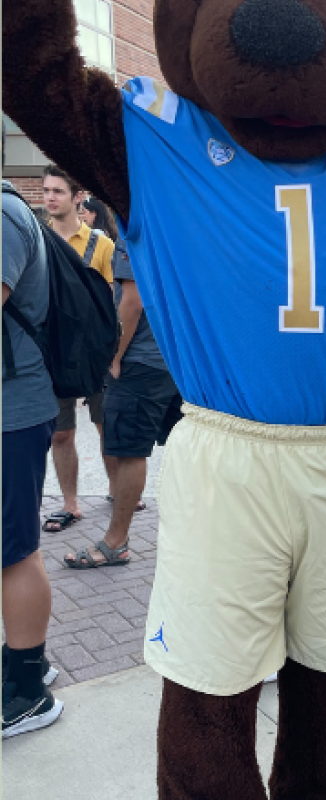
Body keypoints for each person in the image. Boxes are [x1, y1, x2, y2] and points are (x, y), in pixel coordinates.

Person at [63, 238, 182, 569]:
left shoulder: (137, 229)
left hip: (141, 362)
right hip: (180, 360)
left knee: (129, 453)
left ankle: (116, 543)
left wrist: (114, 356)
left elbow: (132, 302)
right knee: (189, 450)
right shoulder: (179, 218)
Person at [2, 167, 64, 737]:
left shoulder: (2, 215)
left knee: (13, 549)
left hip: (12, 415)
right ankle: (23, 662)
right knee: (12, 544)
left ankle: (27, 692)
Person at [39, 164, 118, 533]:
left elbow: (111, 304)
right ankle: (70, 504)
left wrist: (114, 355)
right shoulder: (37, 239)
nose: (50, 198)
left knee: (106, 426)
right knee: (61, 432)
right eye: (46, 191)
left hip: (95, 352)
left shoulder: (101, 244)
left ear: (77, 197)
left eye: (58, 191)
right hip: (54, 352)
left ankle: (119, 493)